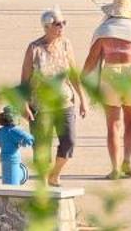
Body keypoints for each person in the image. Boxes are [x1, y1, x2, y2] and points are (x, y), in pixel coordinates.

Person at [83, 0, 131, 178]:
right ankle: (127, 160)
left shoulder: (103, 31)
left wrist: (81, 77)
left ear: (113, 11)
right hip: (130, 75)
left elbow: (92, 58)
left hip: (110, 75)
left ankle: (115, 168)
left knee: (113, 125)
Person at [19, 10, 87, 185]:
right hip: (40, 105)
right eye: (58, 24)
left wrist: (82, 99)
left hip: (65, 102)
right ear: (47, 26)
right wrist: (24, 104)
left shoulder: (66, 45)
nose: (62, 27)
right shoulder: (34, 48)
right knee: (42, 146)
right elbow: (24, 80)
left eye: (64, 23)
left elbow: (73, 74)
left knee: (69, 141)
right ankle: (42, 183)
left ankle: (54, 174)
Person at [0, 107, 35, 187]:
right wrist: (22, 143)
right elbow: (30, 139)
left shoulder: (1, 132)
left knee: (7, 186)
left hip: (4, 159)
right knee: (13, 188)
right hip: (14, 159)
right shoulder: (15, 131)